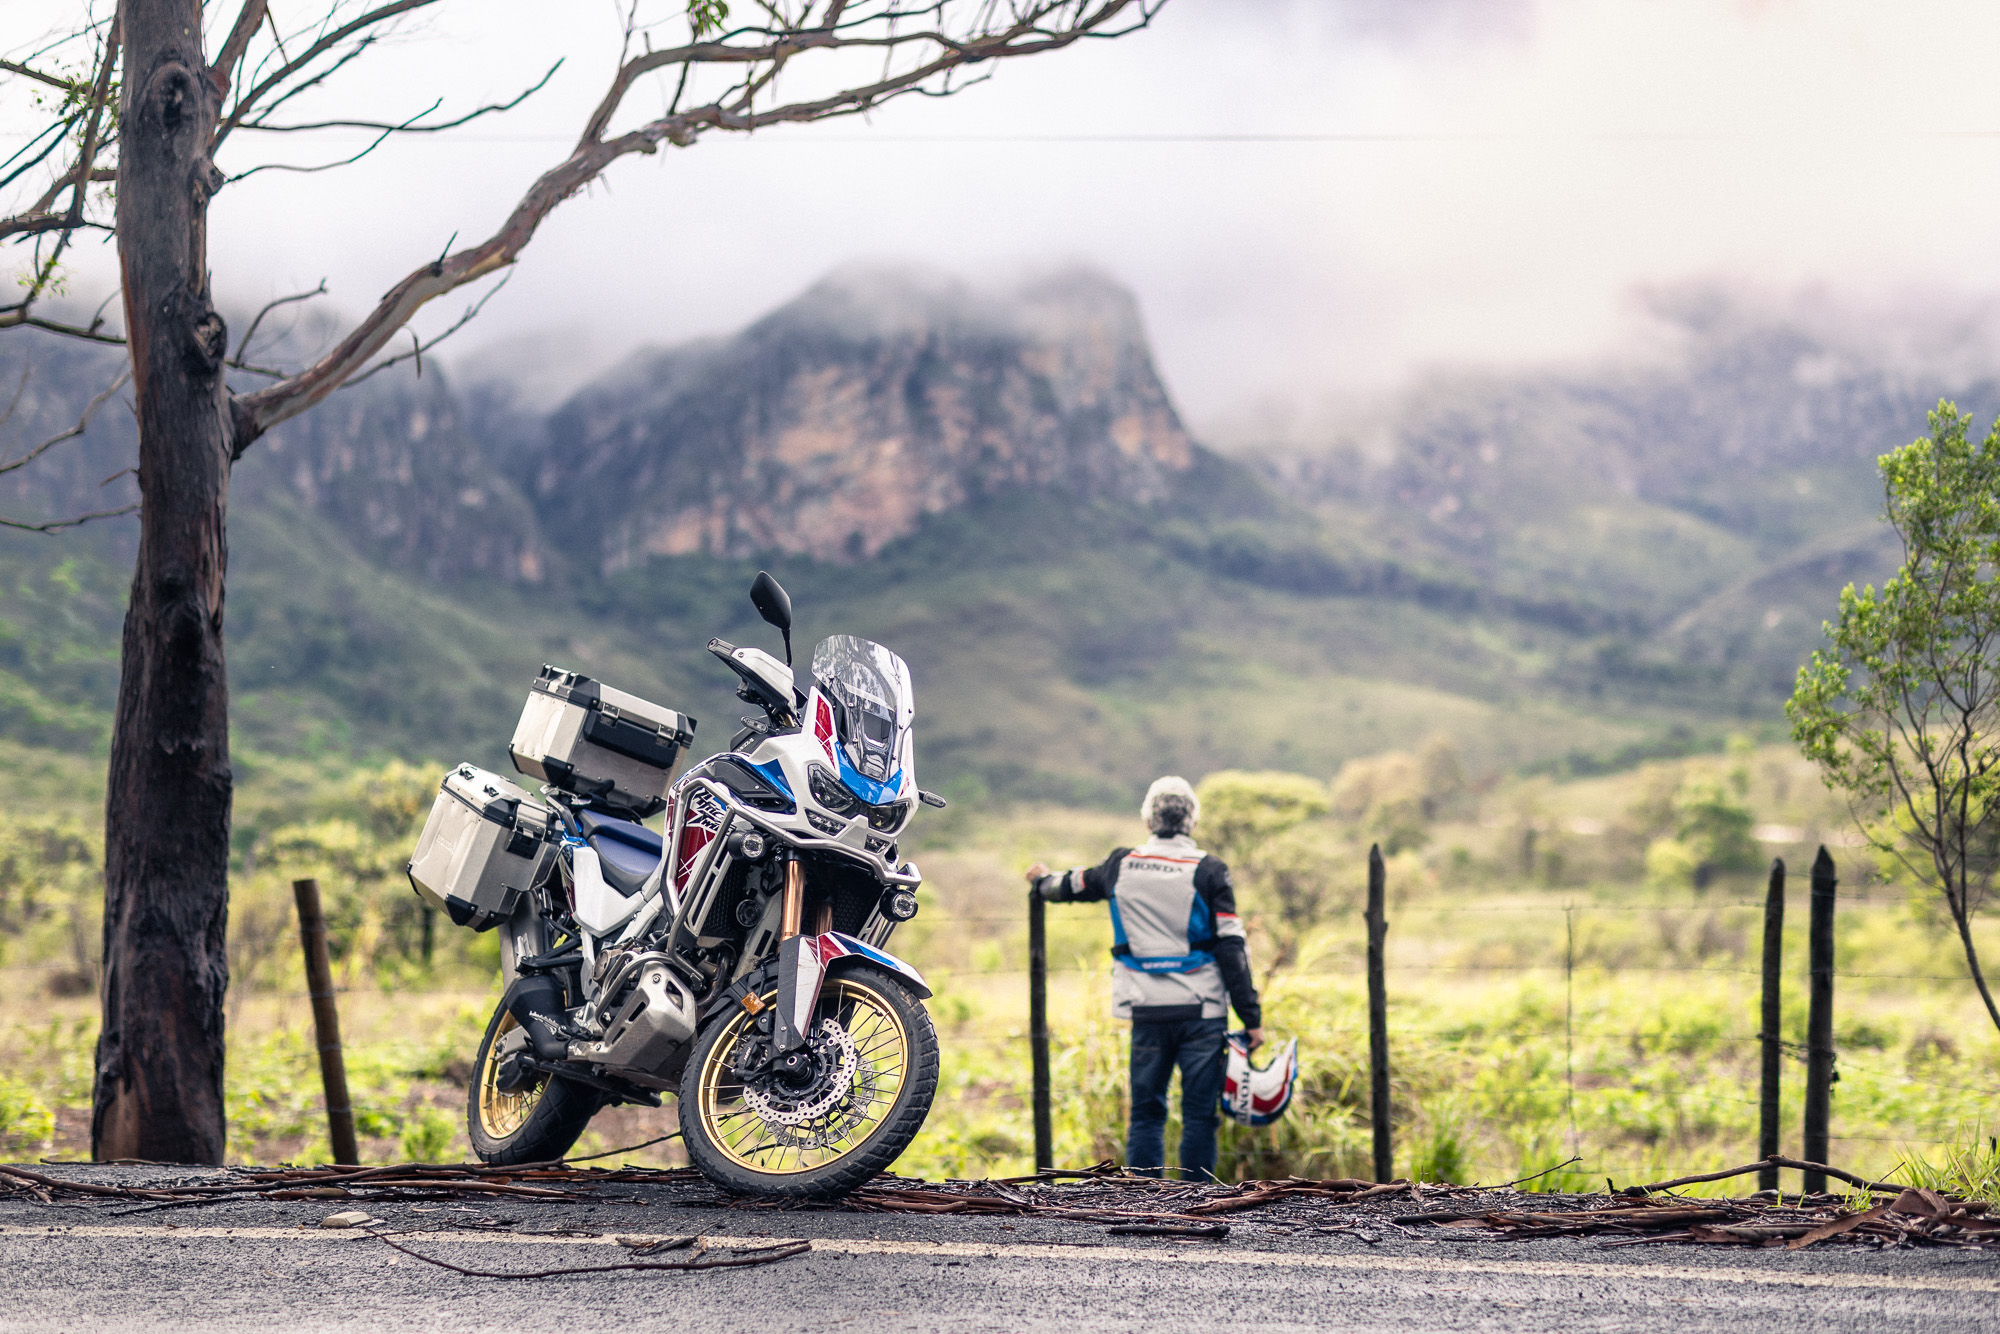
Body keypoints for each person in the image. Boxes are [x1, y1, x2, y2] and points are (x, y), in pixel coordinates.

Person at [1025, 775, 1262, 1182]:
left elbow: (1072, 884)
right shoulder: (1209, 870)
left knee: (1147, 1111)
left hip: (1146, 1008)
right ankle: (1197, 1203)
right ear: (1191, 821)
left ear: (1148, 820)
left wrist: (1040, 881)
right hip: (1202, 1010)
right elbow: (1230, 947)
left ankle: (1143, 1202)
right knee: (1199, 1115)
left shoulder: (1121, 864)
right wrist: (1252, 1017)